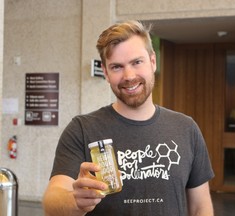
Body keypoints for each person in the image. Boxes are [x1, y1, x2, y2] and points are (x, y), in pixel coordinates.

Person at [42, 20, 214, 216]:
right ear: (106, 73)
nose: (129, 75)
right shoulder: (82, 129)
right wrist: (74, 200)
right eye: (117, 67)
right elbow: (52, 201)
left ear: (152, 62)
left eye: (136, 62)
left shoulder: (186, 128)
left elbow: (201, 207)